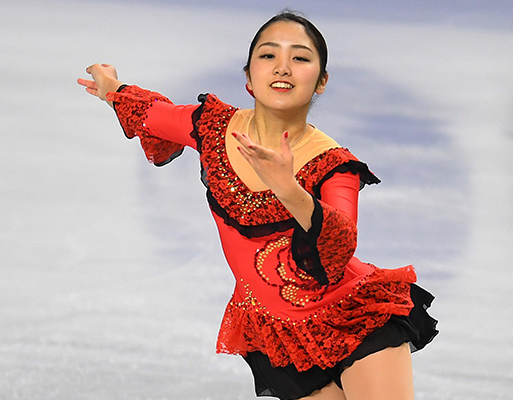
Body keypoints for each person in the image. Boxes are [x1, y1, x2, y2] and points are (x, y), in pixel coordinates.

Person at [77, 11, 437, 400]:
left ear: (321, 81)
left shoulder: (334, 165)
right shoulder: (212, 127)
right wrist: (111, 87)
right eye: (268, 55)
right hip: (278, 338)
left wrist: (288, 188)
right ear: (248, 77)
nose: (283, 66)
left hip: (355, 319)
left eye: (300, 57)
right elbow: (149, 115)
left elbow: (339, 246)